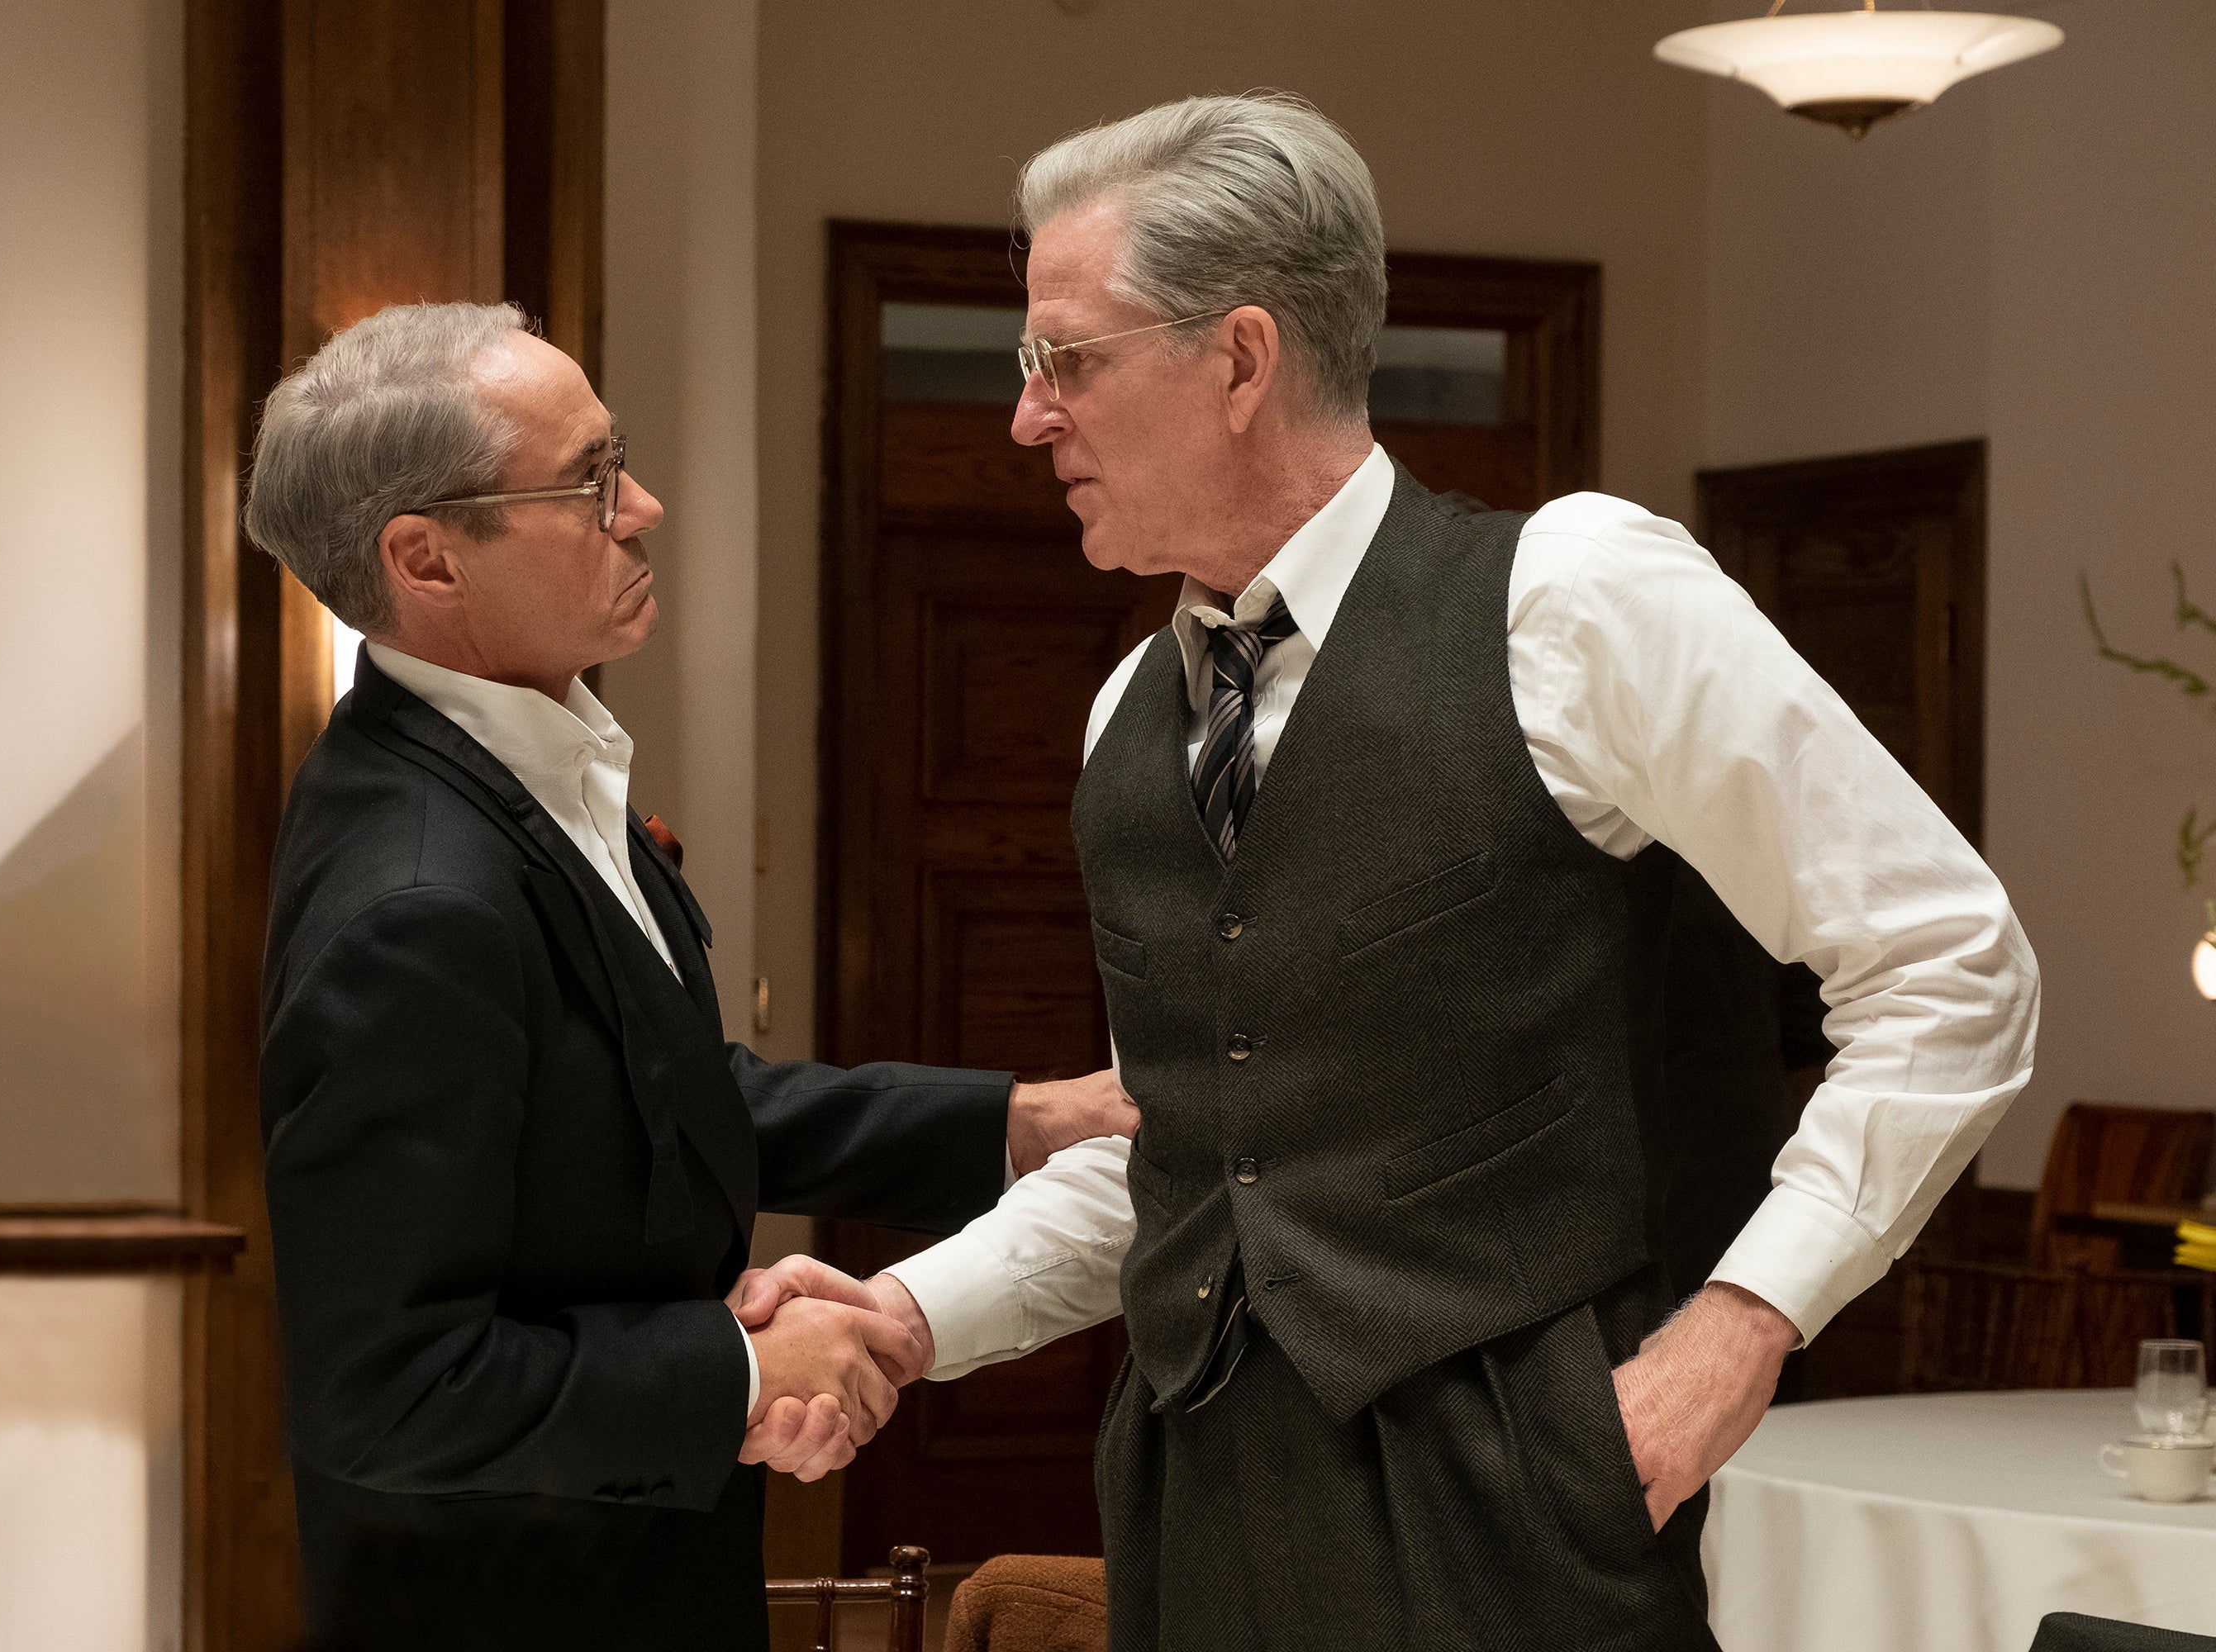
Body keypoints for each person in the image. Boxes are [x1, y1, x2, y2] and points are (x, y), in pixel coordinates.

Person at [826, 95, 2040, 1650]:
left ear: (1242, 359)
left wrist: (1738, 1333)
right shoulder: (1125, 714)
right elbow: (1196, 1155)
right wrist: (912, 1312)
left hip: (1514, 1514)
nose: (1027, 417)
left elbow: (1952, 965)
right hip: (1193, 1501)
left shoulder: (1578, 601)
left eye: (1067, 360)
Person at [243, 301, 1135, 1650]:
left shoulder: (529, 765)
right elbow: (391, 1388)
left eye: (623, 457)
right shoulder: (415, 898)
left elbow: (652, 1100)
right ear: (425, 558)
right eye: (589, 482)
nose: (644, 505)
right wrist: (743, 1368)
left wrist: (1026, 1120)